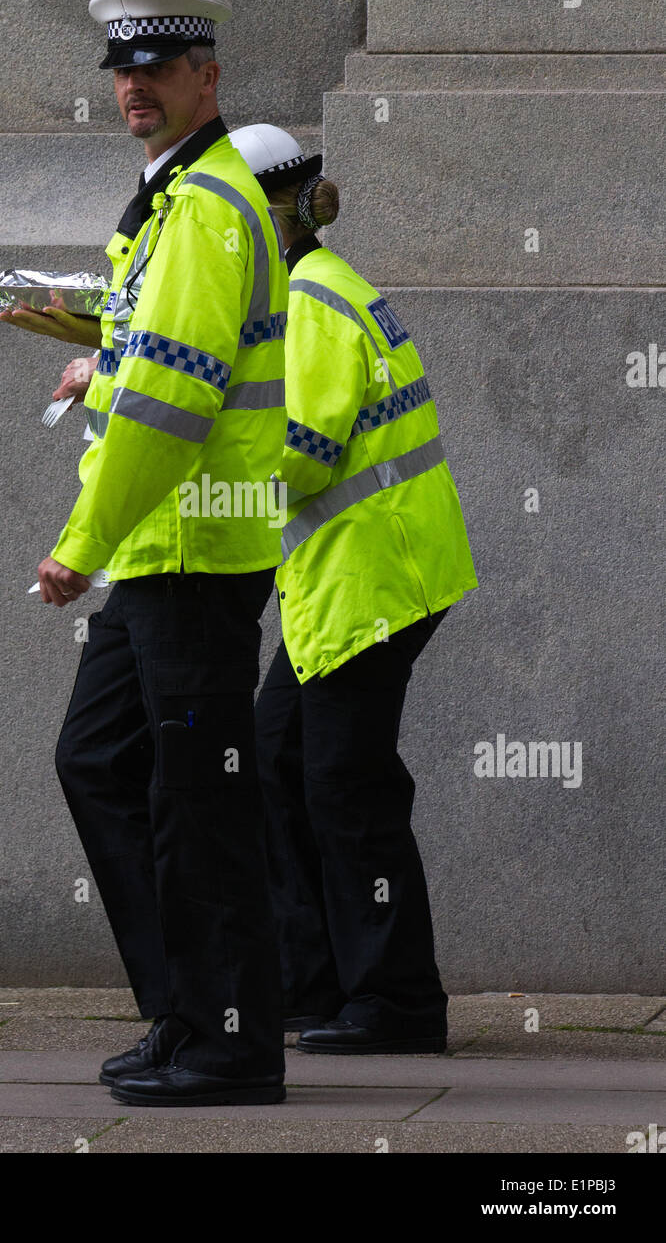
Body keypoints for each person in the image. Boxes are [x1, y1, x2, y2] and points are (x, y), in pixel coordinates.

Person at [38, 0, 290, 1106]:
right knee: (100, 763)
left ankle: (230, 1043)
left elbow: (174, 406)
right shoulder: (169, 201)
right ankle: (184, 1009)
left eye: (160, 67)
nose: (133, 87)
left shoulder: (202, 208)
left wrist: (79, 543)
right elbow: (159, 356)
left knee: (202, 804)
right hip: (159, 553)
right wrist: (93, 346)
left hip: (188, 548)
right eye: (121, 70)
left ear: (208, 78)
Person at [228, 124, 479, 1054]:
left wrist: (191, 456)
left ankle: (397, 1002)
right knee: (281, 758)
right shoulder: (309, 293)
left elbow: (303, 454)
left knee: (346, 782)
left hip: (374, 576)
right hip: (350, 578)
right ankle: (317, 982)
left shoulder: (309, 304)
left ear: (267, 217)